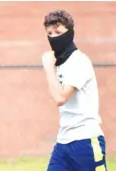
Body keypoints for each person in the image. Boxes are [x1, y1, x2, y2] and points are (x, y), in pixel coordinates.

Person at [41, 10, 107, 171]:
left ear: (70, 33)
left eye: (58, 32)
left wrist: (49, 68)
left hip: (86, 140)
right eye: (50, 33)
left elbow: (60, 98)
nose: (53, 37)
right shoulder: (60, 63)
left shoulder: (78, 61)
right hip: (63, 142)